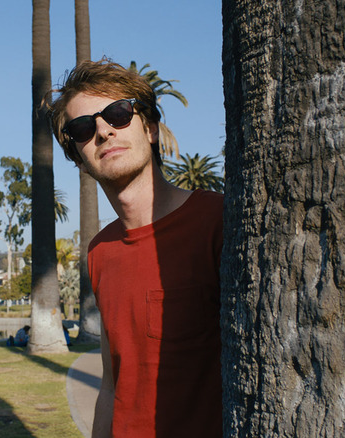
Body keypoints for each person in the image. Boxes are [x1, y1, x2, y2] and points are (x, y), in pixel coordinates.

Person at [49, 59, 223, 437]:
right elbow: (112, 386)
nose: (103, 131)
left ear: (151, 129)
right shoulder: (100, 252)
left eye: (118, 113)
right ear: (79, 160)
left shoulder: (217, 221)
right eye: (83, 128)